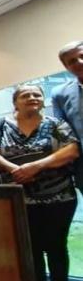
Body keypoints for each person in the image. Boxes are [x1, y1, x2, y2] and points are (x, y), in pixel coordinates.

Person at [0, 84, 79, 281]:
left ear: (43, 100)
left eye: (36, 95)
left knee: (57, 246)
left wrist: (37, 166)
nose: (32, 98)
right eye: (25, 95)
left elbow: (71, 150)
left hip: (59, 195)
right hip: (19, 195)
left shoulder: (55, 124)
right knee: (32, 247)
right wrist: (16, 169)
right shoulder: (0, 125)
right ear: (15, 102)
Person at [51, 40, 83, 191]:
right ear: (66, 67)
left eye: (82, 56)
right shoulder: (60, 94)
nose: (79, 62)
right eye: (72, 61)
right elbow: (62, 133)